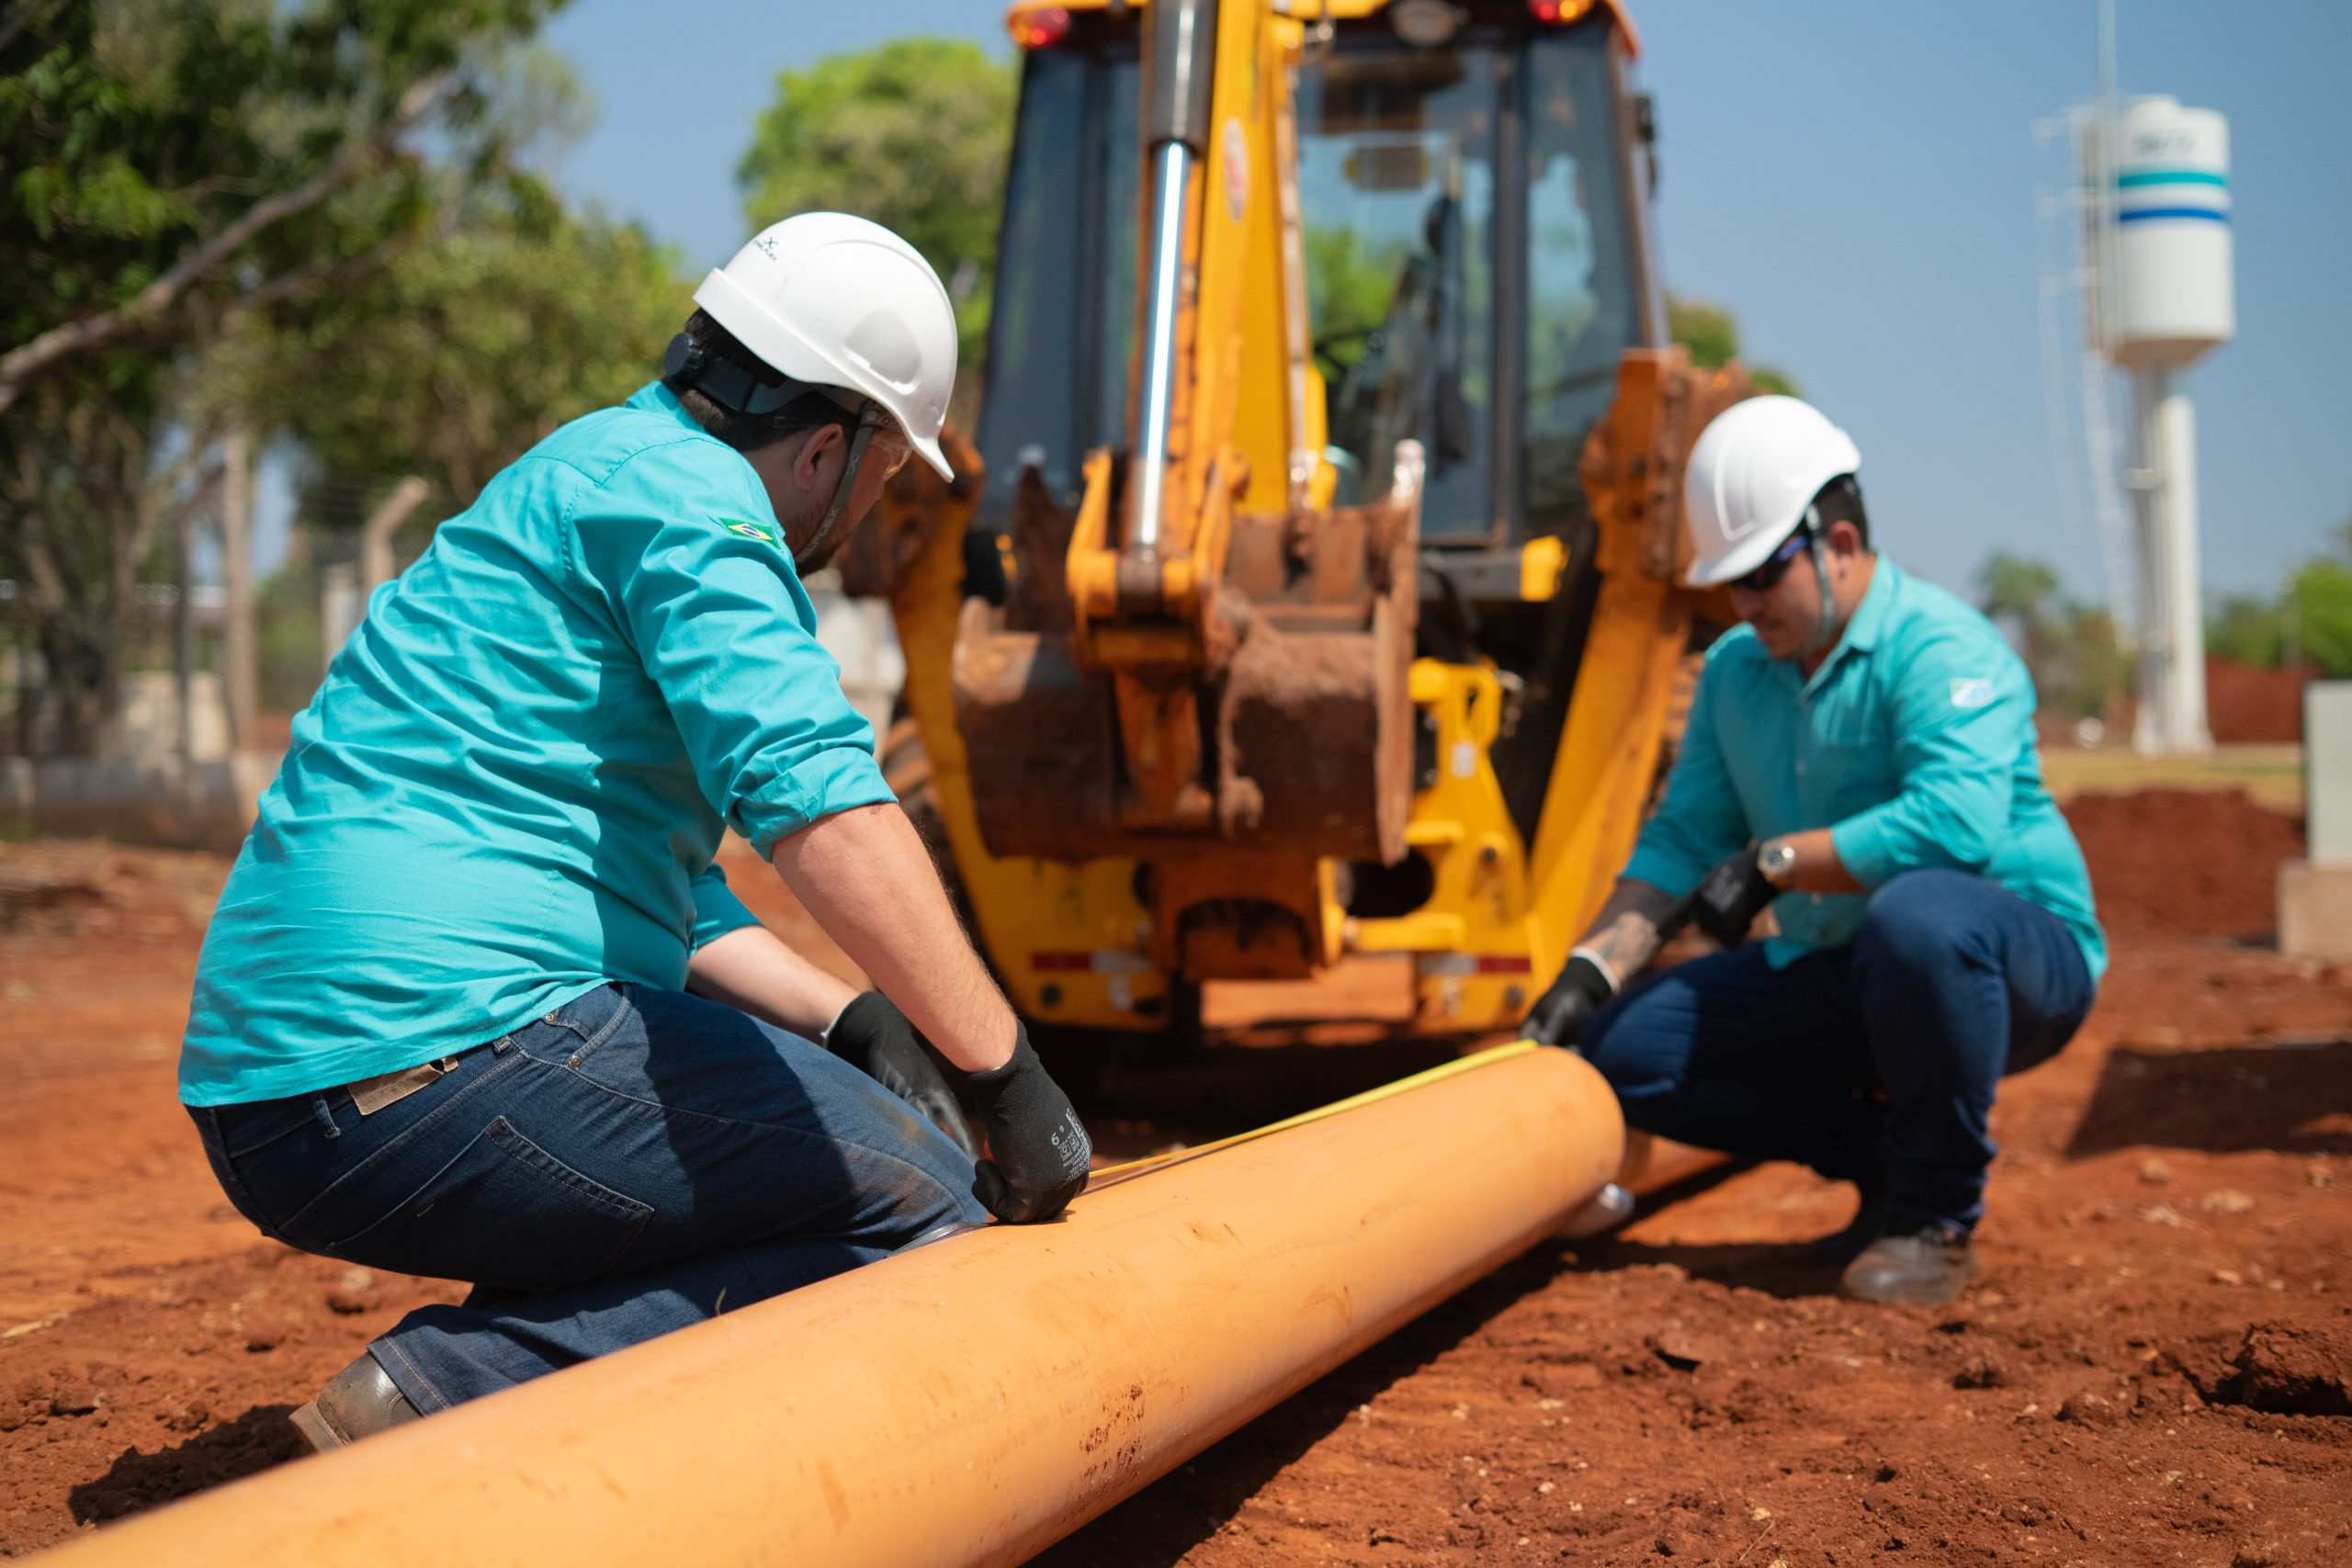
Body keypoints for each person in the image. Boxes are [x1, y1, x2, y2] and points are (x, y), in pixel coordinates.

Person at [178, 214, 1091, 1450]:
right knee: (920, 1191)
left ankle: (451, 1392)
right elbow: (817, 796)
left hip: (280, 1091)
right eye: (886, 474)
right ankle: (455, 1387)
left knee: (800, 1140)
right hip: (439, 1049)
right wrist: (1005, 1072)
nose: (875, 508)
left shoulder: (588, 470)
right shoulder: (699, 506)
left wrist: (848, 1015)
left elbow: (650, 882)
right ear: (828, 443)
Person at [1523, 395, 2103, 1307]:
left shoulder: (1942, 648)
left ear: (1836, 543)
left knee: (1918, 920)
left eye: (1761, 574)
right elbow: (1681, 838)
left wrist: (1772, 863)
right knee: (1629, 1050)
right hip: (1847, 965)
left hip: (2009, 963)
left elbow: (1957, 825)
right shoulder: (1733, 673)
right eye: (1730, 582)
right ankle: (1882, 1162)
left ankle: (1932, 1222)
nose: (1743, 603)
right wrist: (1587, 975)